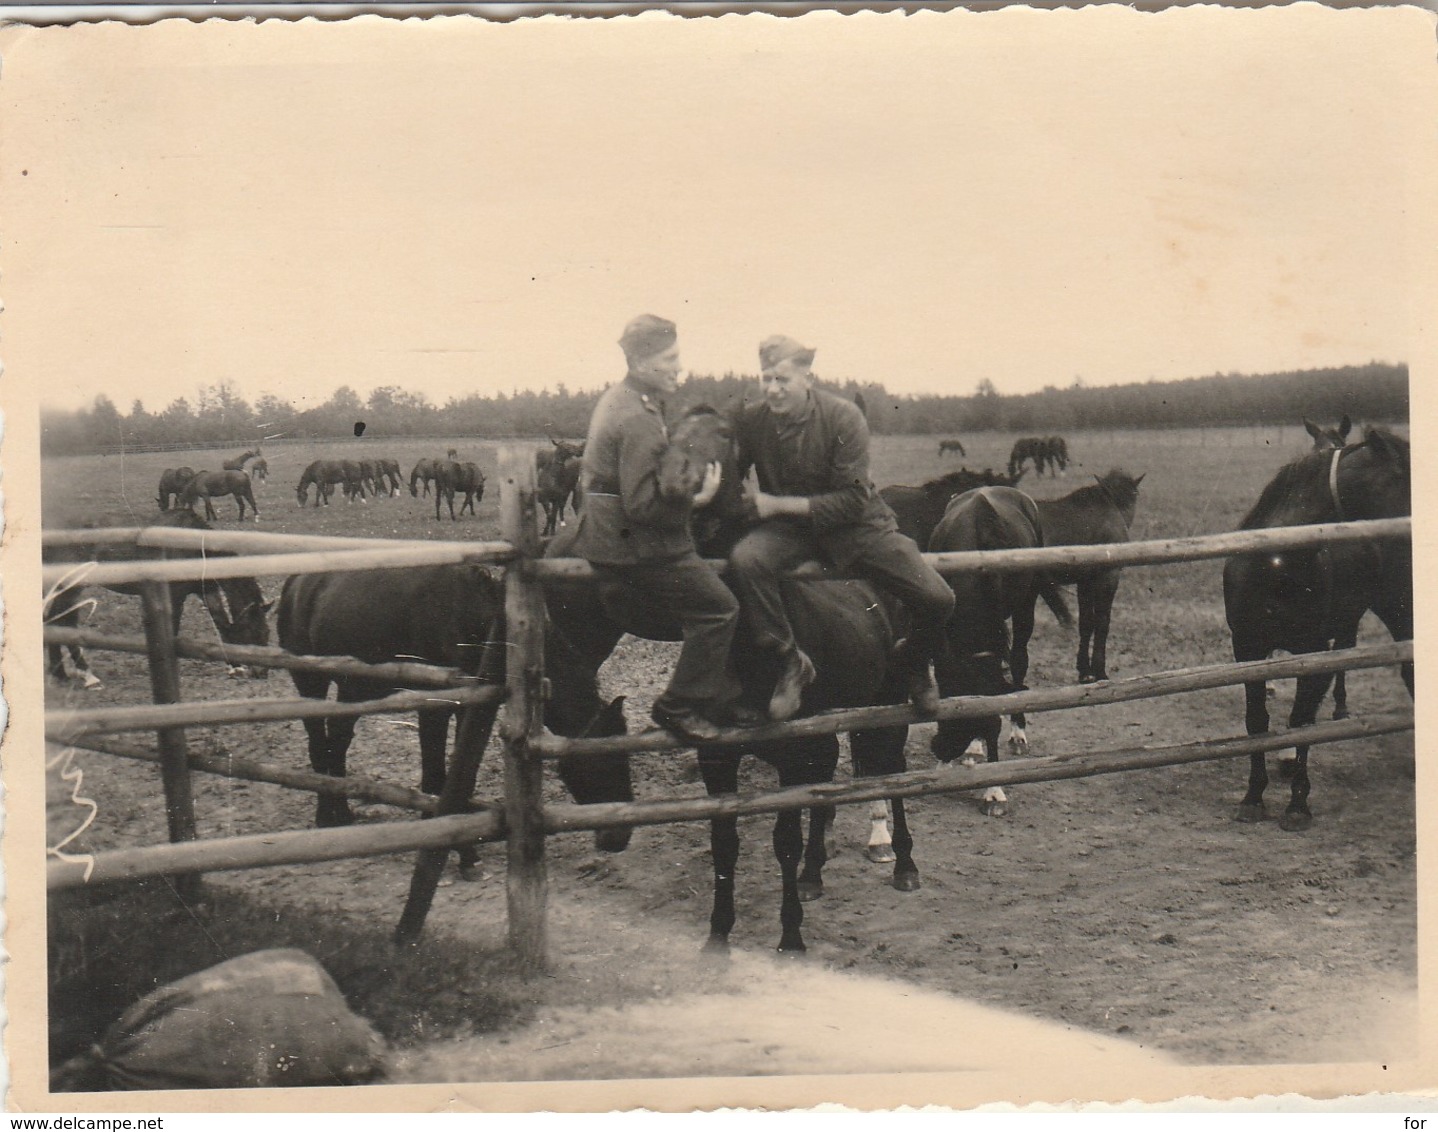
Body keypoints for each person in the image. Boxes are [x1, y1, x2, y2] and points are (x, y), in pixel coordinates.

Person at [730, 334, 955, 721]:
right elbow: (731, 473)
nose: (772, 389)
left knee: (938, 598)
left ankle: (913, 660)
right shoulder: (754, 420)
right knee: (746, 559)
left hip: (858, 527)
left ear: (808, 379)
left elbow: (852, 500)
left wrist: (775, 504)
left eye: (782, 379)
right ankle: (789, 662)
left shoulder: (844, 417)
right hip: (791, 532)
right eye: (766, 378)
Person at [571, 314, 748, 744]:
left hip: (607, 534)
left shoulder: (623, 399)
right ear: (640, 361)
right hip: (636, 546)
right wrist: (699, 500)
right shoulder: (638, 416)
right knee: (720, 609)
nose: (678, 366)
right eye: (669, 358)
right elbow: (642, 506)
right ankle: (678, 704)